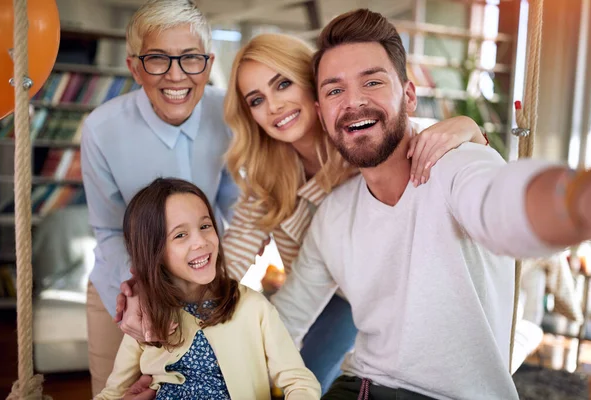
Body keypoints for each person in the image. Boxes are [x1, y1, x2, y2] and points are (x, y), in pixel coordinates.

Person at [269, 8, 591, 400]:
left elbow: (502, 205)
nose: (353, 102)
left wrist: (575, 201)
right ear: (322, 115)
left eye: (372, 82)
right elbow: (286, 318)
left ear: (408, 95)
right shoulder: (335, 214)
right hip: (361, 387)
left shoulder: (459, 164)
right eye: (335, 90)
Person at [221, 33, 489, 392]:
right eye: (257, 99)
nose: (273, 106)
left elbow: (418, 139)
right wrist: (174, 310)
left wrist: (470, 128)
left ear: (315, 85)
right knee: (260, 371)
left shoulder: (365, 144)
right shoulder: (267, 175)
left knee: (314, 374)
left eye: (282, 84)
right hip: (311, 292)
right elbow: (229, 262)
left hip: (372, 298)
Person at [80, 0, 239, 395]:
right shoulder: (102, 128)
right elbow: (107, 228)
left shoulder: (232, 116)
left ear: (208, 63)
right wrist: (137, 290)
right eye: (157, 59)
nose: (176, 75)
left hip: (206, 286)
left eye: (190, 59)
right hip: (124, 286)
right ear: (135, 67)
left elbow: (235, 209)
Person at [94, 178, 320, 399]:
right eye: (180, 235)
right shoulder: (145, 318)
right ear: (154, 251)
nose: (201, 241)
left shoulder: (253, 307)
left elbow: (299, 381)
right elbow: (112, 393)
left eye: (205, 226)